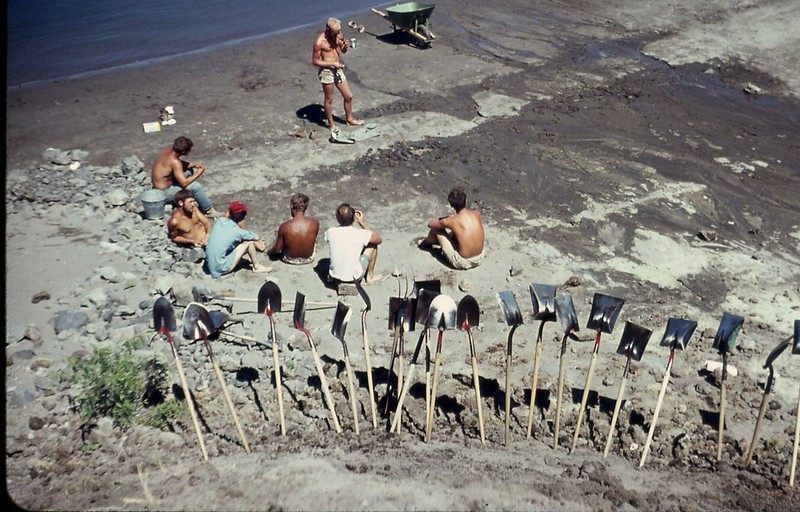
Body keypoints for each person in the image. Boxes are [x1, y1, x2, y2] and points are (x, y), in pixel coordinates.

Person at [312, 17, 365, 132]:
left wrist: (345, 46)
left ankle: (349, 119)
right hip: (327, 71)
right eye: (335, 33)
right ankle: (331, 124)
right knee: (329, 99)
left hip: (338, 68)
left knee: (348, 96)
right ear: (328, 29)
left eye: (339, 32)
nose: (339, 34)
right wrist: (332, 63)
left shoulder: (338, 34)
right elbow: (315, 61)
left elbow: (343, 51)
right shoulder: (320, 42)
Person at [417, 187, 485, 270]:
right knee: (457, 231)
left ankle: (425, 244)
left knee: (436, 229)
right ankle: (430, 242)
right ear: (466, 201)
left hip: (463, 261)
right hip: (479, 257)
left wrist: (443, 220)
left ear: (451, 205)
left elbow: (430, 224)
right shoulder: (476, 213)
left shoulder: (452, 221)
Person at [152, 136, 218, 216]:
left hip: (159, 186)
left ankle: (192, 198)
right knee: (195, 187)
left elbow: (178, 164)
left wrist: (193, 165)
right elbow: (184, 183)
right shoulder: (175, 162)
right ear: (183, 152)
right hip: (164, 193)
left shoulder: (168, 151)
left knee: (189, 171)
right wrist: (199, 173)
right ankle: (209, 211)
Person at [204, 201, 271, 278]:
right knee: (249, 242)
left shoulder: (219, 221)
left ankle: (236, 260)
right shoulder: (238, 232)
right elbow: (256, 237)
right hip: (220, 268)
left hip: (209, 265)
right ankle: (256, 266)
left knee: (230, 242)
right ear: (242, 217)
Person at [325, 203, 384, 284]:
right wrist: (362, 223)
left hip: (335, 275)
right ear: (353, 219)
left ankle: (332, 275)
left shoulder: (330, 232)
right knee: (372, 245)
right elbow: (378, 239)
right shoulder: (360, 234)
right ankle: (370, 277)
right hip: (354, 277)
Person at [267, 193, 320, 265]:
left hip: (290, 259)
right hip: (308, 258)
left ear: (291, 206)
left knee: (281, 239)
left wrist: (269, 251)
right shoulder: (315, 223)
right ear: (306, 207)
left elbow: (277, 250)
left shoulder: (284, 226)